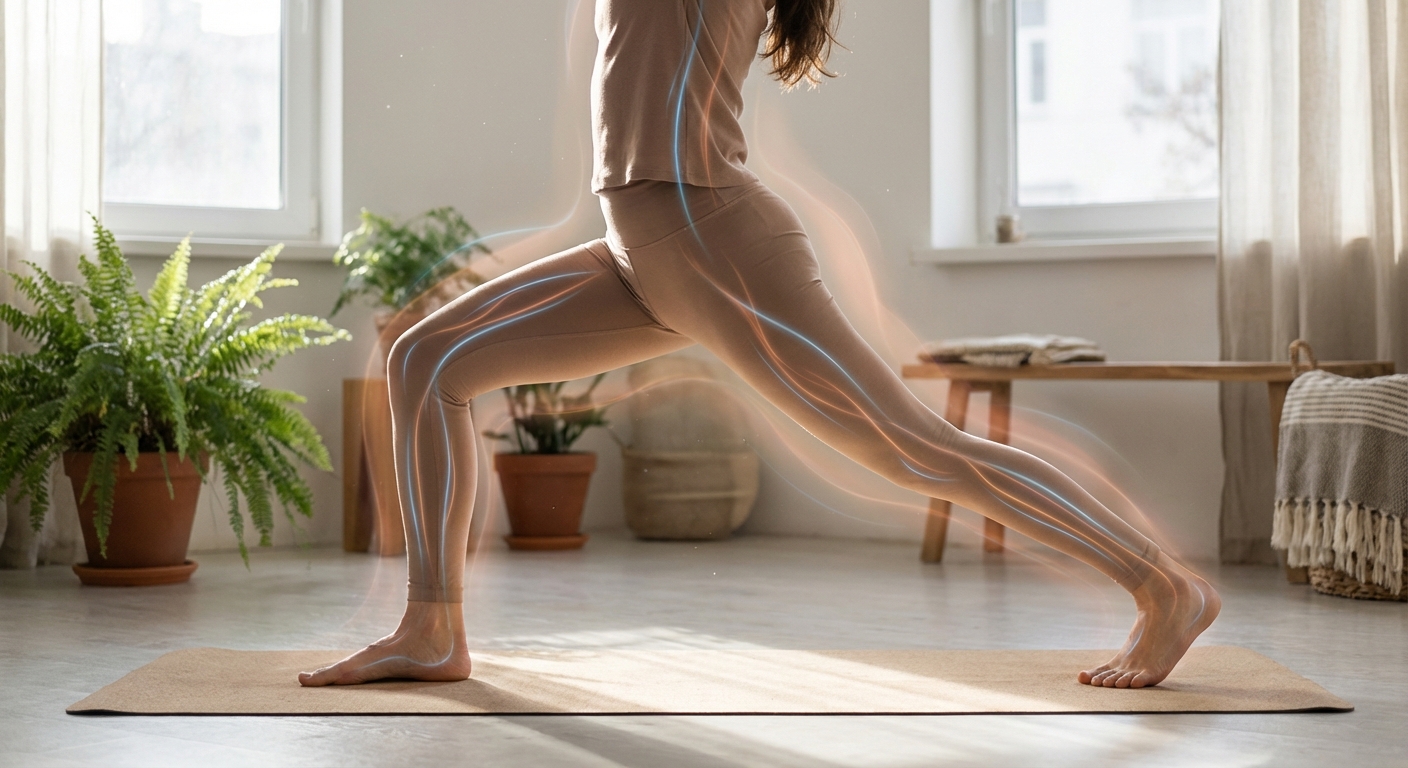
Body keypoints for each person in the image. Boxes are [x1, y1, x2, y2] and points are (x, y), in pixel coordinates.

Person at [299, 0, 1219, 690]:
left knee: (917, 450)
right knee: (425, 358)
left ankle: (1162, 586)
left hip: (717, 244)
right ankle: (432, 629)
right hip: (643, 248)